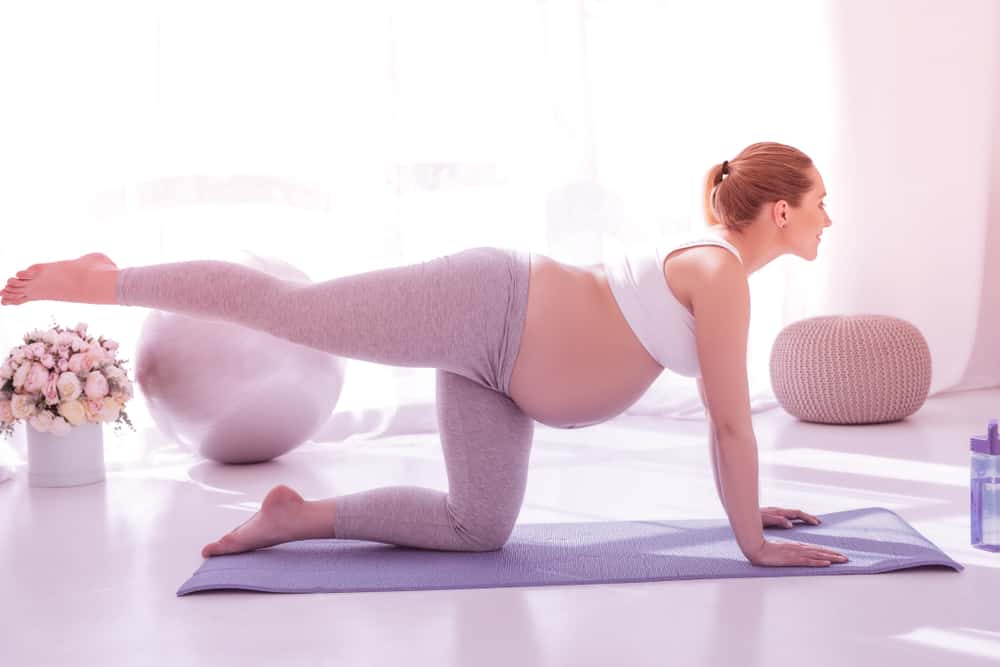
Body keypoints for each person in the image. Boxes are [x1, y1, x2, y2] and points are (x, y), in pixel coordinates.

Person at [1, 141, 847, 568]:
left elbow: (729, 430)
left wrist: (750, 510)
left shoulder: (720, 269)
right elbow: (732, 424)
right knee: (289, 310)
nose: (826, 219)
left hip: (501, 375)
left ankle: (297, 516)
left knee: (478, 526)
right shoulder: (721, 271)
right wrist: (753, 543)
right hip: (490, 305)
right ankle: (105, 280)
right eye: (819, 204)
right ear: (778, 211)